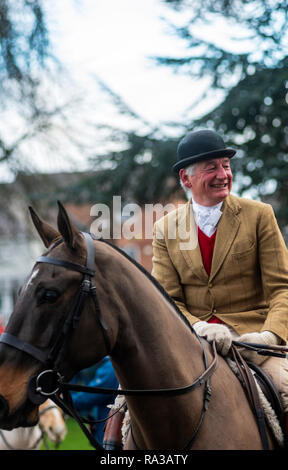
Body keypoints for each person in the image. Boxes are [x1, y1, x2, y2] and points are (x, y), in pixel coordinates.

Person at [152, 128, 288, 436]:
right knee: (125, 402)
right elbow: (167, 300)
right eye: (211, 167)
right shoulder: (165, 229)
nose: (223, 174)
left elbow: (283, 288)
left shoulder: (259, 215)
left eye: (225, 166)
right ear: (186, 179)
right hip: (191, 342)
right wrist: (198, 327)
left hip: (254, 343)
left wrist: (268, 337)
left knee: (286, 390)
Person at [70, 356, 118, 445]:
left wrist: (65, 400)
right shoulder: (110, 364)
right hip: (106, 428)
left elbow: (91, 396)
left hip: (110, 431)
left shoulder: (111, 366)